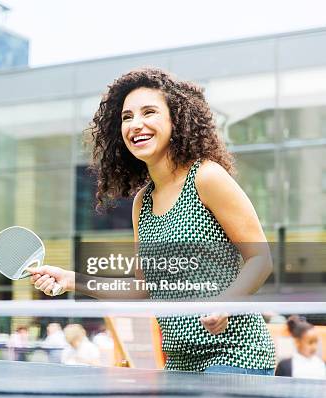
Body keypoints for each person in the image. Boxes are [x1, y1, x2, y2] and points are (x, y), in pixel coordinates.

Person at [30, 67, 276, 375]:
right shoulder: (141, 204)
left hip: (235, 356)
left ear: (176, 119)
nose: (136, 124)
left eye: (149, 112)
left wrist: (227, 303)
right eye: (127, 117)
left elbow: (260, 258)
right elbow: (143, 288)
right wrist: (72, 279)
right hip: (179, 363)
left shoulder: (206, 176)